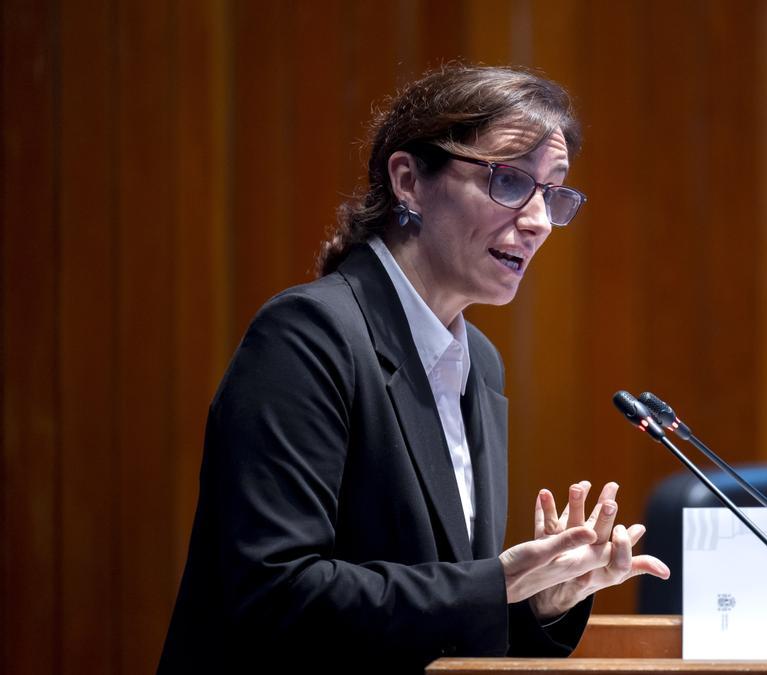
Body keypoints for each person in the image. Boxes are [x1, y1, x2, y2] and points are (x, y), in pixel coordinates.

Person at [158, 64, 669, 674]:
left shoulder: (478, 362)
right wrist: (496, 581)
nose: (536, 221)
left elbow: (441, 623)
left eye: (552, 192)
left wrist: (537, 603)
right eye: (509, 181)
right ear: (408, 181)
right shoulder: (307, 337)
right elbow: (277, 594)